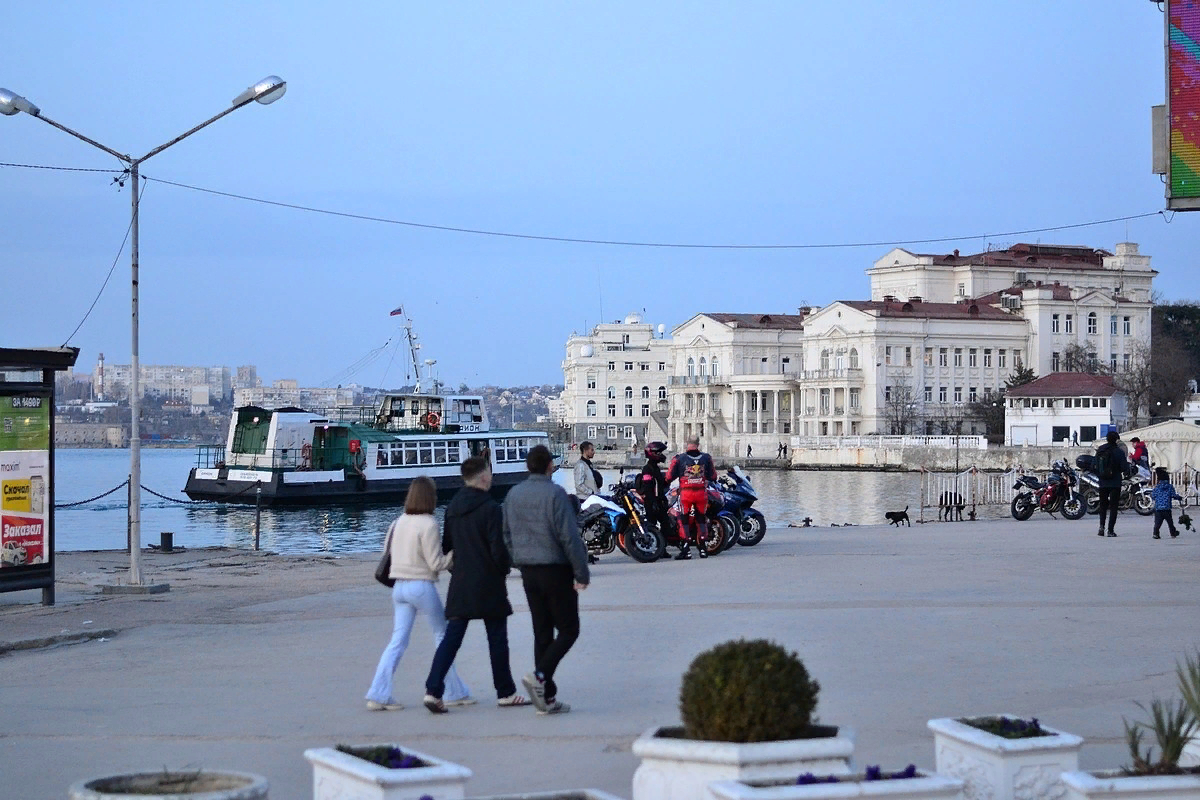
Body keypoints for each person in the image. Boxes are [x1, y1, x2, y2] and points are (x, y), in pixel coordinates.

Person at [423, 457, 530, 713]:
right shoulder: (491, 508)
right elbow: (498, 548)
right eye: (490, 474)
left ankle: (433, 689)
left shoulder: (452, 509)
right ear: (483, 477)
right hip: (489, 580)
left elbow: (447, 546)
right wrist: (503, 569)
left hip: (461, 581)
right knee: (497, 638)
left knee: (452, 637)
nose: (492, 477)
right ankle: (505, 692)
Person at [366, 476, 471, 711]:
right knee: (443, 637)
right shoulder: (429, 523)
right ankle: (454, 691)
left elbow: (386, 552)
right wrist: (455, 554)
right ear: (430, 497)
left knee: (397, 641)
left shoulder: (398, 522)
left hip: (399, 587)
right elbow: (436, 563)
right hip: (421, 586)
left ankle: (378, 693)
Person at [503, 444, 590, 715]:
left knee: (541, 631)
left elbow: (506, 533)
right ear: (549, 466)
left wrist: (516, 560)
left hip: (528, 572)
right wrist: (581, 571)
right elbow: (569, 536)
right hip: (556, 570)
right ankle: (540, 676)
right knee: (568, 629)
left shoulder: (513, 494)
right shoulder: (556, 494)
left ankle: (547, 698)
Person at [666, 435, 717, 560]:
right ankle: (703, 549)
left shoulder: (679, 459)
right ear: (698, 444)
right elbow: (713, 476)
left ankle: (686, 549)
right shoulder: (706, 458)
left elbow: (669, 477)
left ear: (686, 444)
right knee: (701, 519)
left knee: (684, 520)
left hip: (686, 494)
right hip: (701, 494)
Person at [1094, 431, 1130, 538]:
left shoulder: (1101, 450)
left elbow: (1094, 465)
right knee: (1113, 507)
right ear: (1116, 439)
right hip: (1115, 482)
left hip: (1103, 482)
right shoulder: (1118, 451)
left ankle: (1101, 527)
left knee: (1103, 506)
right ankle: (1110, 530)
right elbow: (1124, 467)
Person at [637, 441, 671, 541]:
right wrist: (653, 502)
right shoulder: (647, 469)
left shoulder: (656, 468)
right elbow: (648, 487)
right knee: (652, 525)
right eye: (658, 453)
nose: (661, 455)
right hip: (651, 502)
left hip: (659, 501)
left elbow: (660, 485)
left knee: (665, 524)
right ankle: (654, 547)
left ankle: (663, 548)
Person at [1150, 466, 1183, 540]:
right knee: (1170, 522)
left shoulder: (1157, 487)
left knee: (1157, 523)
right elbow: (1173, 495)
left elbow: (1153, 496)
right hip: (1167, 508)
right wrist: (1179, 497)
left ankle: (1156, 534)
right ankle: (1173, 533)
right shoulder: (1169, 487)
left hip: (1158, 508)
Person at [573, 441, 602, 508]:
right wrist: (591, 492)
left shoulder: (589, 464)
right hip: (585, 500)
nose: (594, 452)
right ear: (585, 451)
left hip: (593, 499)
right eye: (591, 450)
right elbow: (579, 484)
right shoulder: (580, 465)